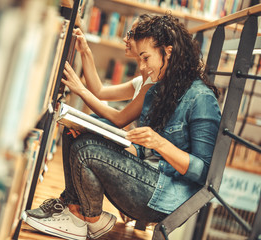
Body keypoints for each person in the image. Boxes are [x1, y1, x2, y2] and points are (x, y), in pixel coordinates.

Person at [22, 13, 221, 240]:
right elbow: (144, 151)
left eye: (146, 58)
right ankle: (74, 210)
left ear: (168, 52)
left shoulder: (201, 98)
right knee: (77, 132)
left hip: (166, 194)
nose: (143, 67)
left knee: (86, 151)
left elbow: (206, 173)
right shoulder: (160, 89)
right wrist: (102, 134)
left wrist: (160, 143)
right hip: (145, 172)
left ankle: (89, 219)